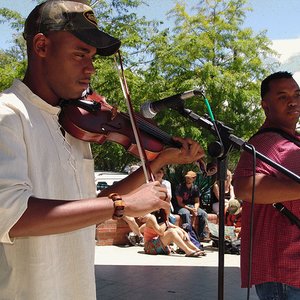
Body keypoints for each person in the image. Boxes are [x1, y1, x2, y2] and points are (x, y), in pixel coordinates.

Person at [0, 1, 205, 299]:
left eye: (93, 57)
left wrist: (159, 161)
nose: (90, 68)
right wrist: (120, 206)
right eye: (80, 54)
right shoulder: (8, 115)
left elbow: (88, 207)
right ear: (42, 46)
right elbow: (13, 216)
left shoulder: (73, 123)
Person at [234, 71, 300, 299]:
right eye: (282, 96)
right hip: (282, 270)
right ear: (265, 105)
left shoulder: (293, 141)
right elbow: (245, 187)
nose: (293, 101)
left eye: (297, 94)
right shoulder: (264, 142)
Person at [175, 170, 209, 241]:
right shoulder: (180, 187)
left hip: (192, 206)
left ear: (194, 178)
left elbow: (197, 202)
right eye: (187, 177)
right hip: (182, 207)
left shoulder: (195, 188)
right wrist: (191, 209)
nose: (187, 179)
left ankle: (201, 235)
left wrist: (195, 209)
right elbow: (180, 203)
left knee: (203, 214)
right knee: (186, 213)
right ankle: (188, 234)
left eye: (189, 178)